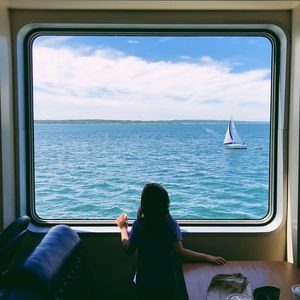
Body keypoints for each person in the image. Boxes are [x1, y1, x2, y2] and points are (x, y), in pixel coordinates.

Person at [116, 183, 226, 300]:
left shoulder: (139, 225)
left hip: (144, 281)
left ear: (144, 205)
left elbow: (129, 249)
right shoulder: (170, 225)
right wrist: (207, 257)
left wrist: (123, 228)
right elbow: (181, 251)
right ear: (166, 204)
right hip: (166, 281)